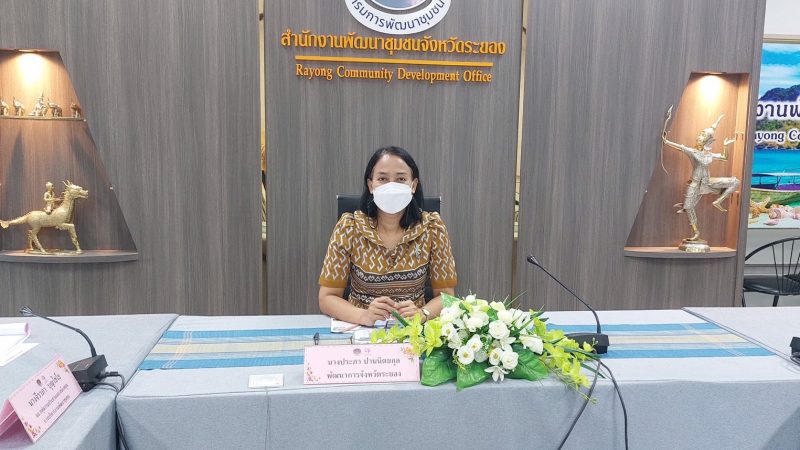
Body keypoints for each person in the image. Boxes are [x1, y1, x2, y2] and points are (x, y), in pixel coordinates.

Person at [319, 146, 457, 326]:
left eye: (401, 179)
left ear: (413, 185)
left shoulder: (432, 228)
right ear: (371, 185)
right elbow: (327, 297)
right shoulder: (349, 228)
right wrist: (363, 316)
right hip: (361, 328)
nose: (391, 186)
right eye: (383, 179)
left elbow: (447, 297)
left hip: (412, 328)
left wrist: (422, 313)